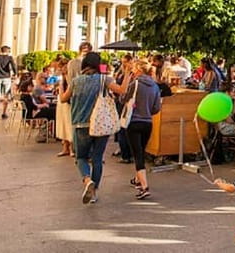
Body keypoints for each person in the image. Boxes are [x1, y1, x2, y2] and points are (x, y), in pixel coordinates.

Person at [60, 52, 131, 204]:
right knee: (97, 158)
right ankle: (94, 192)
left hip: (81, 124)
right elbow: (122, 90)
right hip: (100, 124)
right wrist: (127, 73)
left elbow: (63, 98)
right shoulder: (103, 79)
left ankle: (87, 180)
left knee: (81, 157)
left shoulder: (76, 81)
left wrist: (61, 83)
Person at [125, 58, 162, 200]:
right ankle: (137, 179)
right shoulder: (155, 86)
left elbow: (124, 99)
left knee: (137, 154)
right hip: (148, 122)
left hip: (133, 121)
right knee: (141, 150)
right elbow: (156, 108)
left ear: (139, 70)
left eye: (134, 69)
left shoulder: (135, 84)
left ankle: (144, 186)